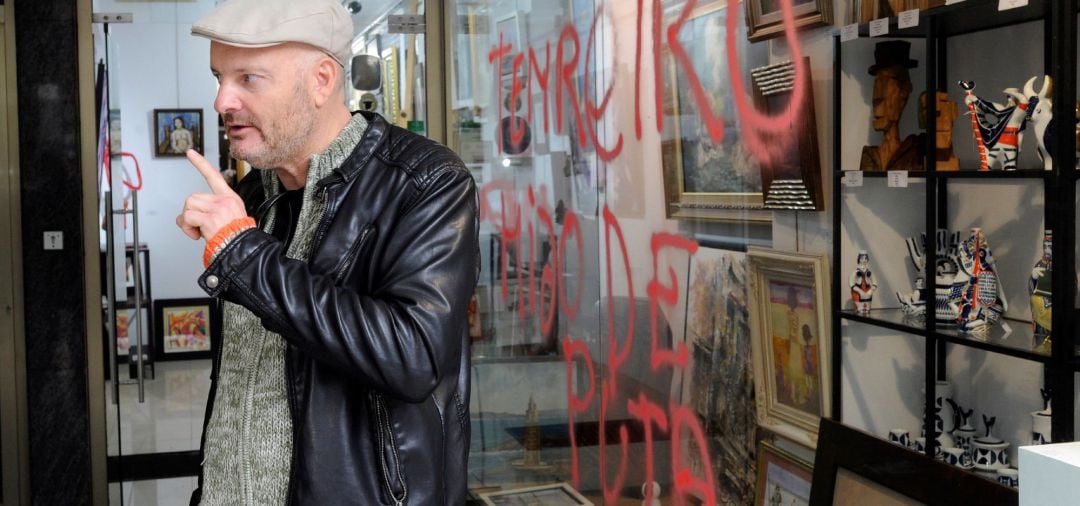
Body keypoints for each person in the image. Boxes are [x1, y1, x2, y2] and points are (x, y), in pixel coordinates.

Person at [175, 0, 480, 504]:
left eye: (248, 78)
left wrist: (242, 253)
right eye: (218, 77)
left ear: (321, 80)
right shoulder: (254, 201)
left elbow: (412, 358)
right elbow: (245, 391)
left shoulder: (426, 183)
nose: (222, 101)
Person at [860, 40, 926, 172]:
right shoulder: (870, 155)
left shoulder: (916, 150)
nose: (876, 96)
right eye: (875, 84)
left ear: (904, 91)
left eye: (884, 83)